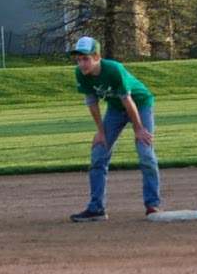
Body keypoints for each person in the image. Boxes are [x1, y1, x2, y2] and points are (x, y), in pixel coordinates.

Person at [68, 37, 161, 222]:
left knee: (145, 152)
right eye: (78, 59)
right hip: (115, 109)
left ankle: (153, 204)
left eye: (85, 59)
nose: (81, 64)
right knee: (98, 153)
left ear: (97, 57)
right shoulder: (81, 74)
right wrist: (101, 132)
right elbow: (92, 103)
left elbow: (128, 101)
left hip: (140, 104)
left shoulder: (114, 69)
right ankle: (96, 208)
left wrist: (139, 129)